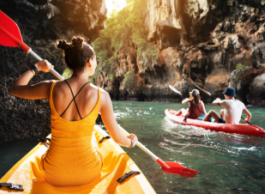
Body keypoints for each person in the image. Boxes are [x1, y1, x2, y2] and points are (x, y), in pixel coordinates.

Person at [8, 36, 138, 186]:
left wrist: (36, 67)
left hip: (53, 173)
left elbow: (14, 89)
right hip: (88, 173)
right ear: (89, 61)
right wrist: (131, 142)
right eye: (95, 59)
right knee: (93, 140)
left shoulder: (51, 87)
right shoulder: (102, 96)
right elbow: (118, 139)